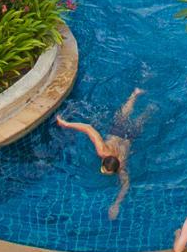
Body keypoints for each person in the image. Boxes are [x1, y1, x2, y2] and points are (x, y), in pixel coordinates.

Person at [56, 90, 148, 218]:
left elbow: (126, 185)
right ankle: (137, 96)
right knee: (128, 116)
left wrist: (116, 205)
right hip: (127, 137)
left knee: (136, 118)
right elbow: (88, 128)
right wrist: (66, 124)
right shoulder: (116, 163)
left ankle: (141, 100)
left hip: (124, 135)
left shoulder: (104, 153)